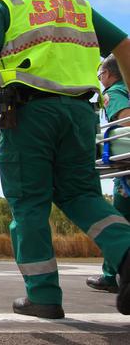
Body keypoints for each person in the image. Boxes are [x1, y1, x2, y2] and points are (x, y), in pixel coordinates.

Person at [0, 0, 130, 319]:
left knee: (29, 204)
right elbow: (124, 45)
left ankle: (43, 295)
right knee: (81, 195)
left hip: (27, 115)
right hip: (81, 115)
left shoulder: (6, 5)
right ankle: (127, 252)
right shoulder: (78, 7)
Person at [87, 54, 130, 293]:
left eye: (101, 74)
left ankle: (110, 274)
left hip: (125, 168)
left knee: (118, 218)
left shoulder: (114, 93)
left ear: (110, 74)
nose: (100, 78)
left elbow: (126, 121)